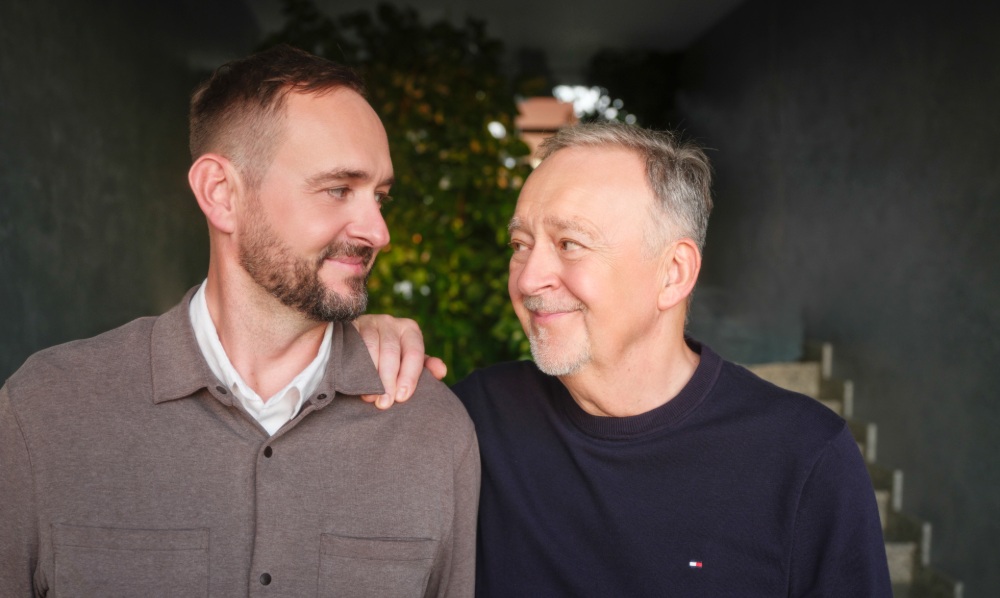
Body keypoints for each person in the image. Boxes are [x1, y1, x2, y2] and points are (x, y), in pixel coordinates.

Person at [0, 45, 478, 597]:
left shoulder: (433, 434)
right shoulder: (45, 412)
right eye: (338, 189)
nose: (377, 231)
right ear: (220, 194)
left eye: (380, 197)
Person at [365, 122, 892, 596]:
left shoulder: (803, 455)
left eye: (570, 243)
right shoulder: (478, 419)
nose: (527, 279)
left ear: (673, 273)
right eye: (521, 243)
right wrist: (353, 346)